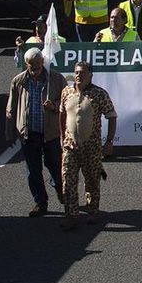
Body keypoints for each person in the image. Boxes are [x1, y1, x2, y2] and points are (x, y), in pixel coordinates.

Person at [6, 47, 66, 216]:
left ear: (43, 62)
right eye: (32, 65)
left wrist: (54, 106)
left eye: (38, 64)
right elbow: (11, 108)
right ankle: (40, 202)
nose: (35, 68)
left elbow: (68, 101)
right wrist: (9, 132)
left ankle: (60, 189)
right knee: (33, 170)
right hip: (29, 133)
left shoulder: (55, 78)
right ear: (26, 64)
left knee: (54, 165)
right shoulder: (18, 81)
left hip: (51, 133)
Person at [59, 61, 116, 229]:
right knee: (68, 181)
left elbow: (112, 116)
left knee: (92, 180)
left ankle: (92, 210)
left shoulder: (99, 94)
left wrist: (109, 142)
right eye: (76, 72)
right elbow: (62, 114)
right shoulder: (66, 92)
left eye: (82, 73)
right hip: (70, 147)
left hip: (91, 147)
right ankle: (71, 214)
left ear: (90, 75)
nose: (78, 75)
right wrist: (62, 137)